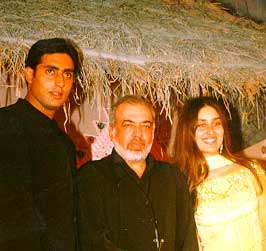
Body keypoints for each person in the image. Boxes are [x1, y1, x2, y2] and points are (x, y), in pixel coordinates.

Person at [78, 95, 199, 251]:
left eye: (145, 126)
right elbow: (93, 242)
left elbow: (188, 241)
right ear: (112, 132)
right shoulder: (91, 177)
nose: (138, 134)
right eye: (128, 125)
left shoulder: (172, 177)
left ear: (153, 131)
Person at [0, 38, 83, 251]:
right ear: (29, 74)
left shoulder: (64, 143)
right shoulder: (7, 123)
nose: (60, 82)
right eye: (50, 71)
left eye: (67, 74)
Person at [169, 96, 266, 251]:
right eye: (201, 125)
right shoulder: (182, 183)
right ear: (189, 132)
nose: (211, 131)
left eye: (216, 123)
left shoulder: (252, 171)